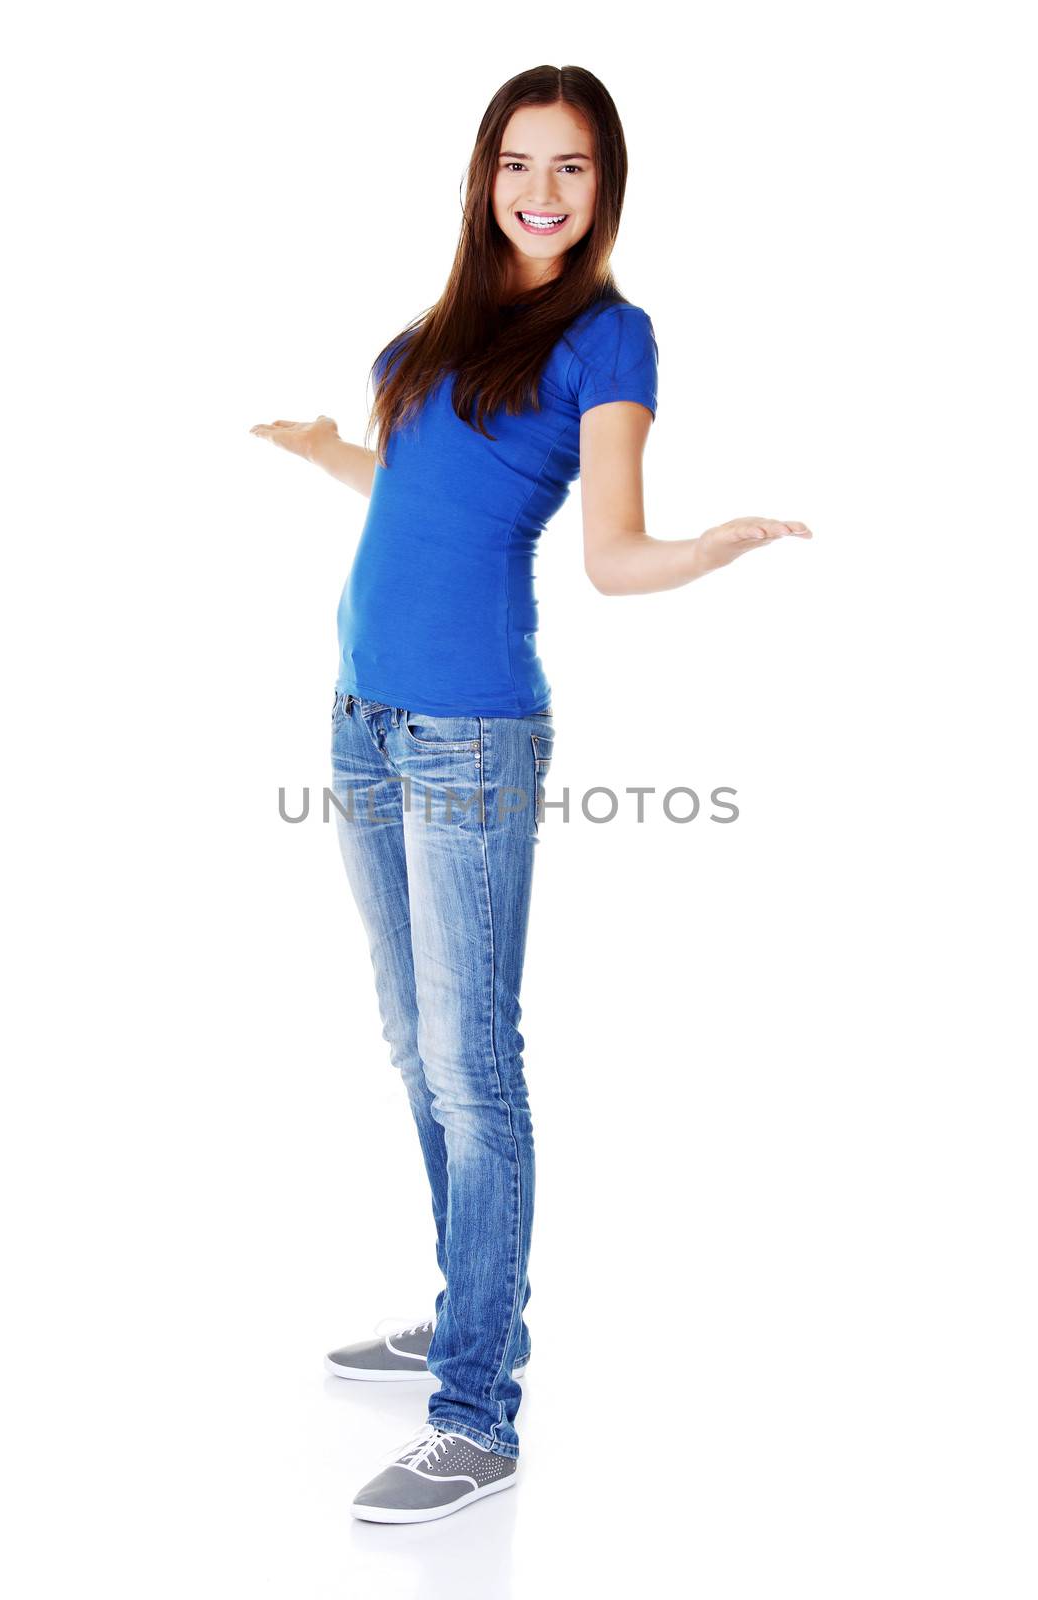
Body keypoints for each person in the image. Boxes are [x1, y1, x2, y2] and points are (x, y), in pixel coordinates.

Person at [251, 63, 812, 1525]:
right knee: (409, 1035)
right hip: (361, 720)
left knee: (472, 1062)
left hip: (469, 735)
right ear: (484, 175)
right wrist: (334, 457)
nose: (542, 191)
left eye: (571, 168)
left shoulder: (607, 337)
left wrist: (699, 553)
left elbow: (609, 549)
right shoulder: (439, 330)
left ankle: (477, 1412)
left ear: (604, 186)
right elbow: (432, 491)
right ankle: (470, 1298)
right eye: (519, 163)